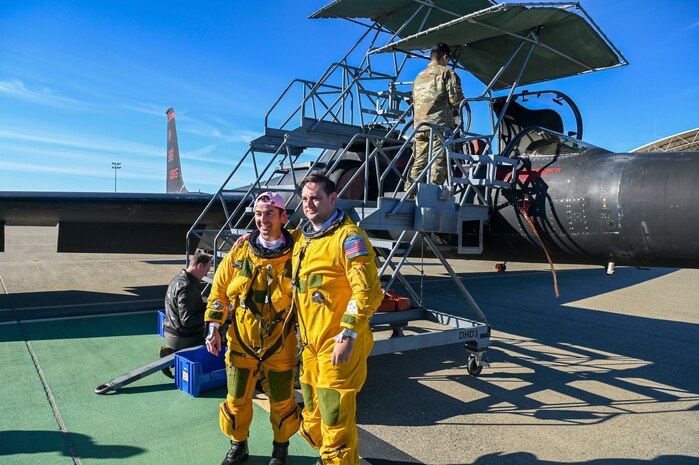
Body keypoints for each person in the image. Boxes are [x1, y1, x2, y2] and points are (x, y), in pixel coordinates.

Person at [293, 174, 383, 465]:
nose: (309, 204)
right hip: (310, 347)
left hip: (337, 344)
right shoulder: (303, 239)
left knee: (335, 417)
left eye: (316, 198)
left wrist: (348, 335)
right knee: (313, 416)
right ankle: (328, 457)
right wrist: (252, 238)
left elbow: (367, 290)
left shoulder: (349, 238)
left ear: (333, 199)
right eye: (305, 199)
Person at [204, 191, 300, 465]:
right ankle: (238, 445)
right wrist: (213, 327)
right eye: (258, 214)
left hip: (280, 342)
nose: (261, 220)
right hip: (241, 341)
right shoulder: (241, 251)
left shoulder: (299, 250)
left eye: (269, 214)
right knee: (236, 400)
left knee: (282, 403)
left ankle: (280, 449)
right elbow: (219, 290)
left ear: (283, 216)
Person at [406, 42, 464, 192]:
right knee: (438, 162)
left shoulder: (418, 77)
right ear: (445, 57)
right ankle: (432, 196)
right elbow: (456, 100)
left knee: (419, 162)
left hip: (419, 126)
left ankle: (409, 193)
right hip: (439, 127)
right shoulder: (447, 73)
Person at [160, 251, 212, 376]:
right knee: (216, 340)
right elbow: (188, 320)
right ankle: (174, 353)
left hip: (170, 329)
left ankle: (173, 351)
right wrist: (211, 313)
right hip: (181, 336)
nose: (206, 274)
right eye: (207, 270)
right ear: (199, 266)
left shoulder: (178, 279)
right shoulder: (187, 287)